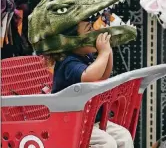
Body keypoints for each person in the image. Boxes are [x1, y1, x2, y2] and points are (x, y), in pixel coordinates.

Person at [48, 20, 134, 148]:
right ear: (72, 40)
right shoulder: (68, 63)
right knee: (106, 144)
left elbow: (102, 75)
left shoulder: (85, 57)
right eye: (89, 30)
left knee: (124, 136)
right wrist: (103, 53)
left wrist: (108, 51)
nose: (95, 34)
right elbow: (88, 76)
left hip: (90, 120)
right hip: (71, 123)